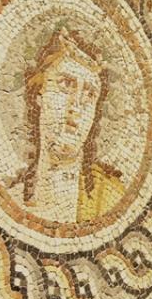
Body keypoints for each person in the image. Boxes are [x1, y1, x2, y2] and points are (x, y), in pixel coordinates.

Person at [10, 28, 124, 224]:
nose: (76, 106)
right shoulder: (11, 198)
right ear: (39, 95)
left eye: (89, 94)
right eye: (66, 84)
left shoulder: (111, 200)